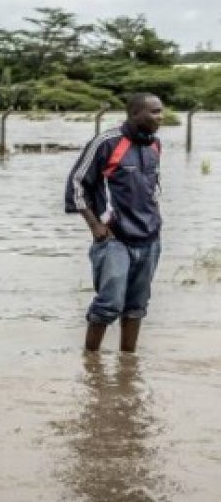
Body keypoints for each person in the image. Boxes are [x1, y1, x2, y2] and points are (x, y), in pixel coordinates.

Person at [65, 93, 164, 353]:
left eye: (161, 111)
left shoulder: (155, 146)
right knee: (109, 303)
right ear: (134, 114)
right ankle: (91, 363)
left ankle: (128, 365)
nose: (160, 117)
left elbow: (152, 188)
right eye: (154, 112)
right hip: (114, 239)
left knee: (137, 306)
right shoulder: (107, 143)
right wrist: (95, 226)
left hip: (149, 239)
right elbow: (77, 183)